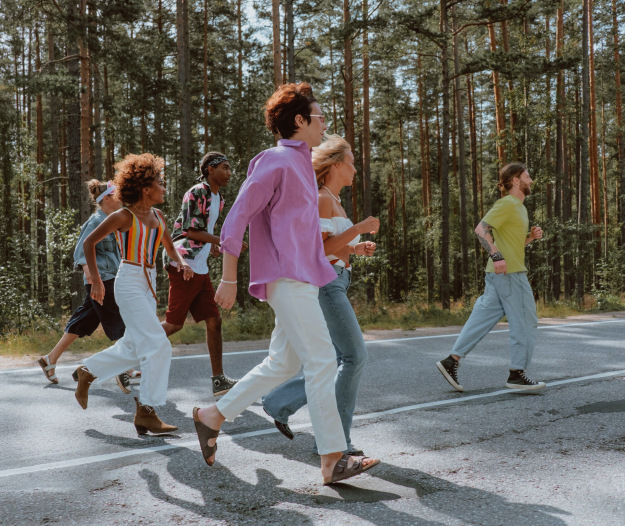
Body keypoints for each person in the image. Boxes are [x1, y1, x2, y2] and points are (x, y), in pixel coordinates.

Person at [191, 83, 380, 485]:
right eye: (319, 115)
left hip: (304, 277)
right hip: (285, 277)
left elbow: (302, 232)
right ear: (299, 120)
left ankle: (212, 416)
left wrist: (340, 252)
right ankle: (332, 458)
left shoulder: (302, 167)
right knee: (323, 360)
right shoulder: (275, 161)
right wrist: (228, 277)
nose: (324, 121)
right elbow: (236, 217)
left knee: (285, 362)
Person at [262, 134, 379, 457]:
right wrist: (359, 229)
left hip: (339, 279)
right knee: (355, 356)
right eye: (352, 163)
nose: (355, 169)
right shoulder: (322, 198)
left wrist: (356, 248)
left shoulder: (335, 199)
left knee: (338, 360)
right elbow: (320, 250)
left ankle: (278, 403)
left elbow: (335, 245)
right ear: (337, 165)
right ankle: (334, 441)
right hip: (327, 283)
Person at [73, 153, 194, 435]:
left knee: (134, 346)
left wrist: (182, 261)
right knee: (159, 345)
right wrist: (98, 282)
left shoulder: (159, 216)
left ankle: (87, 372)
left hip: (148, 281)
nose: (164, 188)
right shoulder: (123, 216)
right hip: (127, 280)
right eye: (160, 183)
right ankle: (147, 411)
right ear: (145, 188)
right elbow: (89, 243)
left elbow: (169, 246)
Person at [436, 163, 546, 392]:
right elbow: (480, 229)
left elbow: (513, 244)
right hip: (510, 274)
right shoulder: (507, 203)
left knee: (481, 318)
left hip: (499, 274)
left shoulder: (521, 208)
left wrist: (530, 239)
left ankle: (451, 361)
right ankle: (517, 374)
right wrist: (496, 255)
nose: (531, 180)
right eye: (528, 176)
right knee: (526, 321)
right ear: (516, 180)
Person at [38, 180, 138, 392]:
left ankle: (50, 359)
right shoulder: (95, 222)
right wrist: (95, 282)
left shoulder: (114, 221)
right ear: (108, 198)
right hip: (102, 280)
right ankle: (123, 368)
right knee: (123, 318)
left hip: (111, 277)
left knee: (81, 323)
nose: (121, 198)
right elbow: (81, 255)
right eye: (117, 194)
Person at [162, 152, 246, 397]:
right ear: (210, 169)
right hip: (184, 262)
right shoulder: (197, 191)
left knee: (214, 320)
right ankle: (125, 358)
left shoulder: (219, 198)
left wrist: (216, 246)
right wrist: (226, 241)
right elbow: (190, 231)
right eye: (225, 167)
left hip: (200, 266)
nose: (229, 173)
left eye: (230, 168)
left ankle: (218, 380)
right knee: (175, 323)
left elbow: (205, 231)